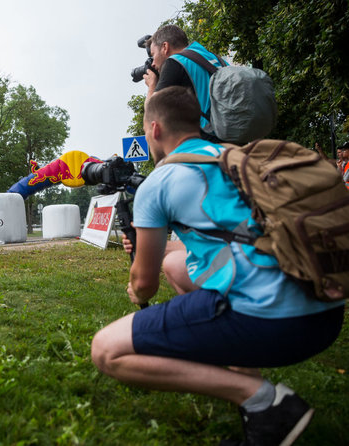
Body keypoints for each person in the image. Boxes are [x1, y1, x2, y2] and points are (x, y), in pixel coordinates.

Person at [91, 87, 345, 445]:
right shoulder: (234, 157)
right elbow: (232, 235)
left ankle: (265, 401)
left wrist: (136, 286)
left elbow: (144, 284)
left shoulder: (158, 183)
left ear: (156, 130)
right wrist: (159, 248)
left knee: (106, 349)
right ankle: (260, 415)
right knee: (177, 265)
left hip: (275, 325)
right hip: (324, 314)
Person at [143, 24, 227, 143]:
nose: (153, 63)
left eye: (153, 54)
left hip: (212, 143)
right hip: (236, 134)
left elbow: (151, 115)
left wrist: (152, 85)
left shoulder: (175, 62)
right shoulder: (213, 58)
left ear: (165, 47)